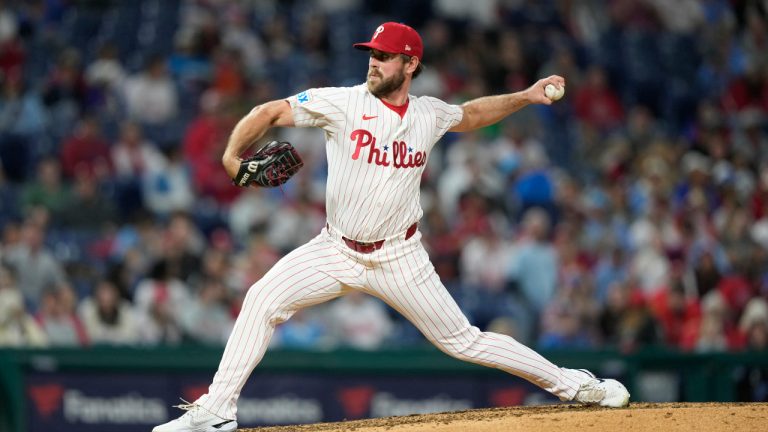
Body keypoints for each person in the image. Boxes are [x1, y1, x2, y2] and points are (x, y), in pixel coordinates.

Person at [153, 22, 630, 432]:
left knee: (464, 341)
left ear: (410, 64)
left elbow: (472, 114)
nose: (373, 63)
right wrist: (232, 154)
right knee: (261, 298)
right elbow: (270, 111)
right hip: (335, 249)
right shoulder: (342, 103)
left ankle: (576, 386)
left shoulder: (428, 114)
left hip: (401, 257)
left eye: (384, 56)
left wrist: (525, 97)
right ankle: (216, 411)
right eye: (371, 55)